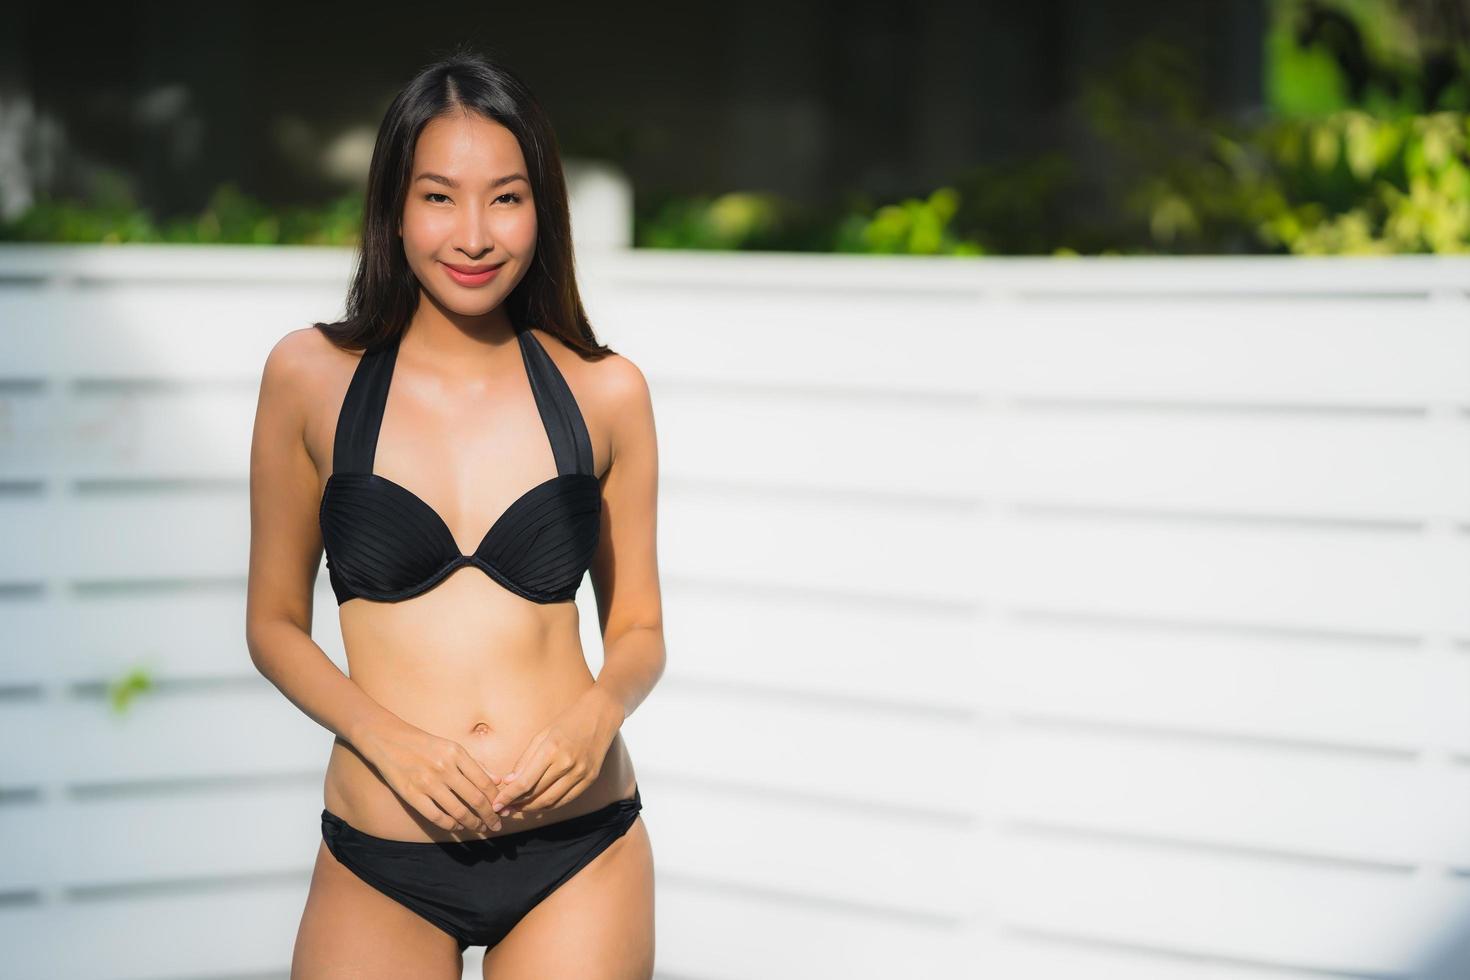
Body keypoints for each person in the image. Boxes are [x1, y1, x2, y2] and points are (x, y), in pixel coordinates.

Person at [244, 49, 664, 979]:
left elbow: (638, 627)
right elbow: (273, 626)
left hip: (579, 850)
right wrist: (385, 736)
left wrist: (597, 715)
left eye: (505, 198)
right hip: (382, 857)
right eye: (440, 196)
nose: (473, 234)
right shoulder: (309, 379)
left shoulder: (606, 392)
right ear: (394, 207)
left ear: (541, 209)